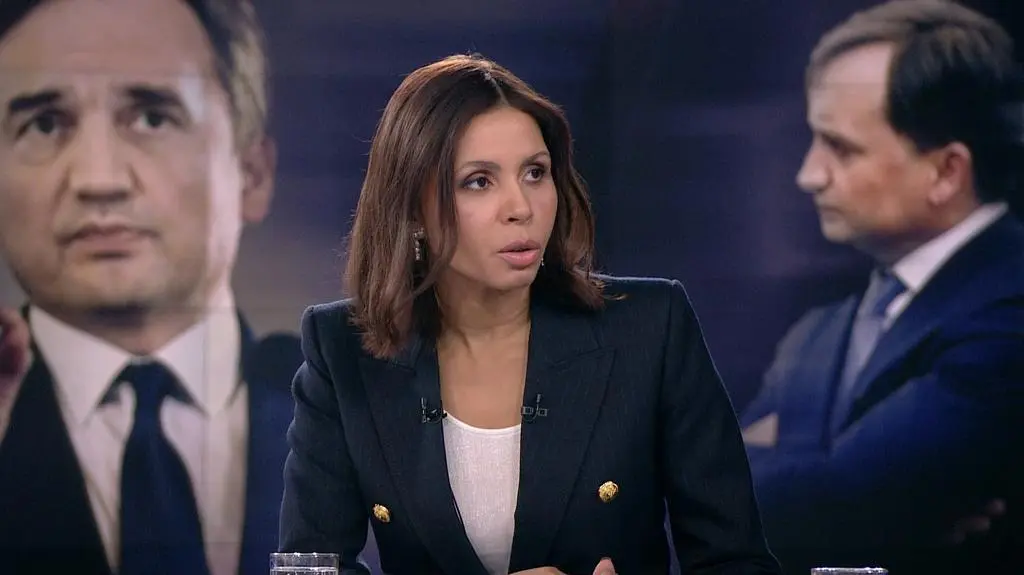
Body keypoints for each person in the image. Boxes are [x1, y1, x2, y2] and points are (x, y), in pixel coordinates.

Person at [277, 54, 782, 575]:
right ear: (412, 210)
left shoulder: (651, 328)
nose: (521, 207)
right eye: (479, 181)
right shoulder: (342, 349)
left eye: (535, 173)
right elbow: (309, 569)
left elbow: (738, 564)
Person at [0, 1, 301, 574]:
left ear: (252, 174)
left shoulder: (374, 421)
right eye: (45, 124)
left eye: (152, 118)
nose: (99, 180)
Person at [738, 0, 1024, 573]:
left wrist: (777, 467)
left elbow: (851, 502)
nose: (809, 175)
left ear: (946, 172)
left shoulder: (1011, 304)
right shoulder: (818, 333)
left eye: (841, 148)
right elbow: (852, 500)